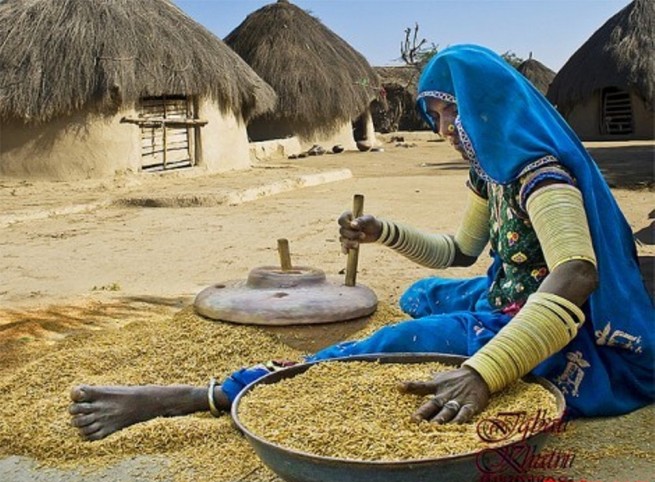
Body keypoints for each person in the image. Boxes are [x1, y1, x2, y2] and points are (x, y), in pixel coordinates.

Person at [69, 45, 654, 441]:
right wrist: (383, 233)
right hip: (507, 292)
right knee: (423, 293)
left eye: (452, 115)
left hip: (561, 323)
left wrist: (484, 372)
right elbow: (458, 251)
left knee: (391, 340)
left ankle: (203, 395)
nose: (445, 132)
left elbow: (577, 275)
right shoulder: (491, 172)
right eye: (436, 117)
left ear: (487, 110)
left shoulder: (542, 179)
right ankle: (473, 323)